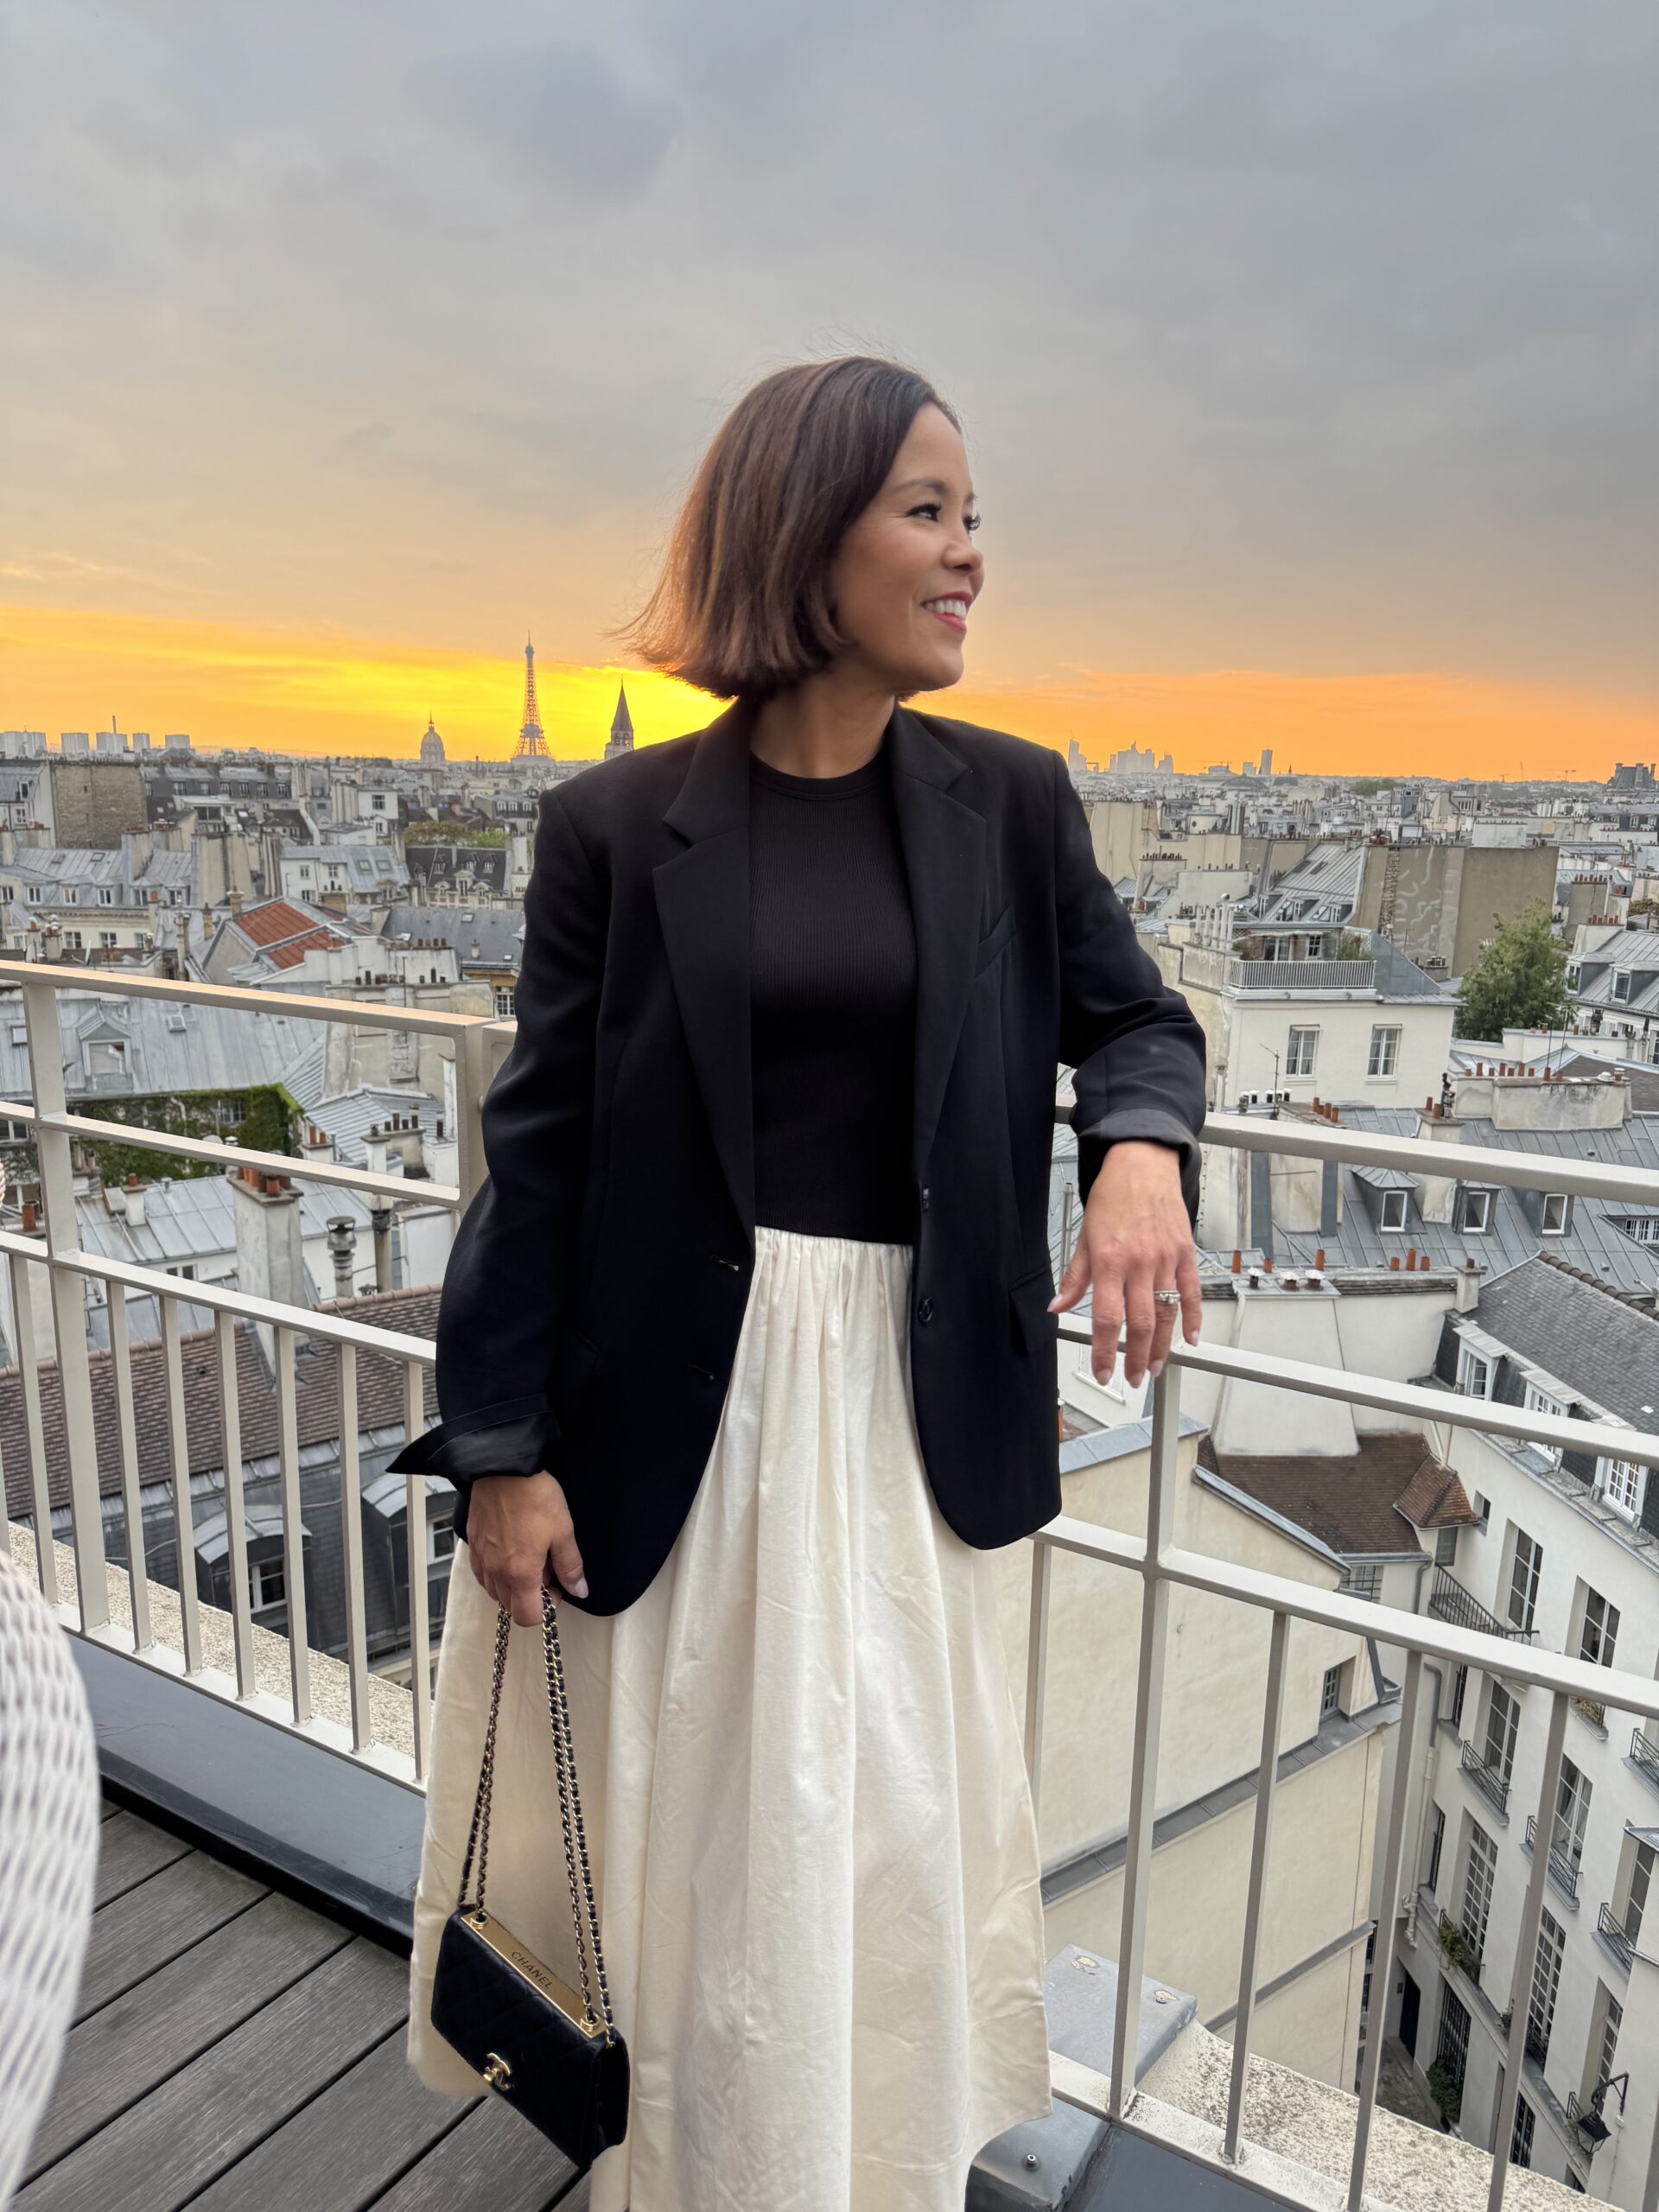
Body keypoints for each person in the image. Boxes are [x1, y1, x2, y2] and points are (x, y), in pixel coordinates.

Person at [388, 354, 1207, 2211]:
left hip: (908, 1410)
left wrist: (1139, 1148)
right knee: (694, 1844)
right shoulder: (613, 826)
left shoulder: (1010, 800)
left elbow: (1137, 1016)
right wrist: (501, 1444)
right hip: (676, 1406)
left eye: (973, 513)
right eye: (928, 509)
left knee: (880, 1835)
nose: (970, 552)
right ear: (800, 535)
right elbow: (542, 1152)